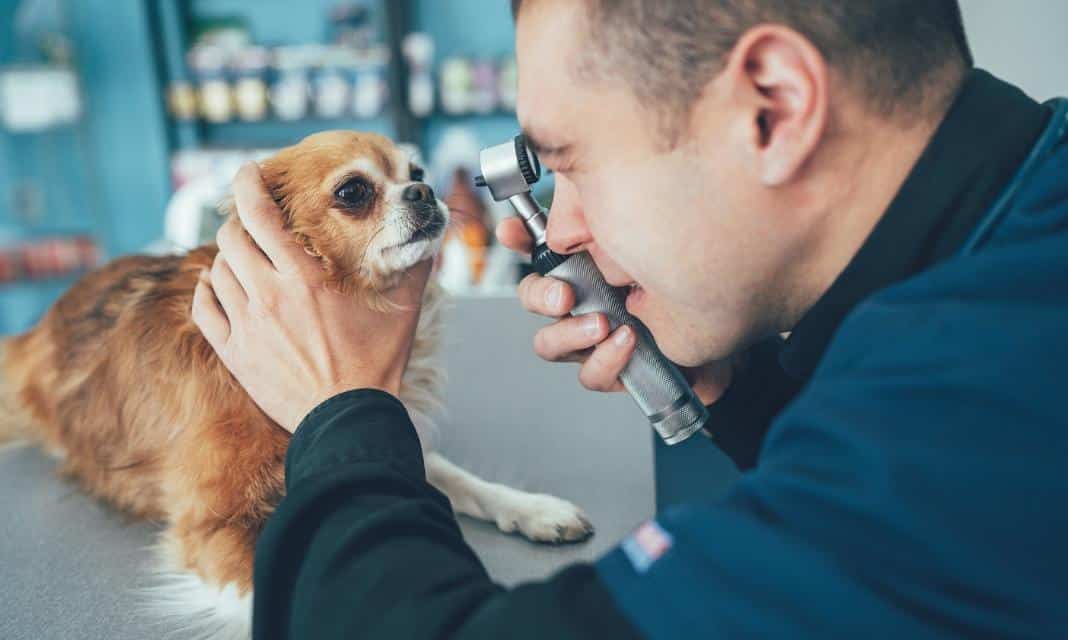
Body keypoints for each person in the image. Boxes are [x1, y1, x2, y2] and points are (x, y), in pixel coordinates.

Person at [191, 0, 1068, 637]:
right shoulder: (1017, 245)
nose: (558, 229)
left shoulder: (962, 432)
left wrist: (339, 417)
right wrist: (749, 393)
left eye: (571, 162)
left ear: (774, 107)